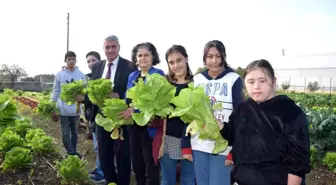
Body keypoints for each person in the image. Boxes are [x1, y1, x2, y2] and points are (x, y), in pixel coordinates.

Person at [218, 59, 311, 185]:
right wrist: (218, 125)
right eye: (251, 82)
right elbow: (231, 136)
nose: (256, 86)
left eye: (262, 81)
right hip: (241, 179)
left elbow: (298, 161)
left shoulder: (290, 111)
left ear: (273, 81)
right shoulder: (243, 108)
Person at [192, 40, 244, 185]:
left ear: (223, 57)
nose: (214, 61)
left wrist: (234, 149)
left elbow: (239, 116)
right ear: (204, 58)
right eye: (209, 56)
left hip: (223, 145)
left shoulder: (233, 79)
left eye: (218, 56)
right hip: (199, 143)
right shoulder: (197, 79)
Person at [90, 35, 137, 185]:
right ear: (103, 48)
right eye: (107, 47)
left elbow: (134, 92)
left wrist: (120, 96)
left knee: (123, 156)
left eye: (113, 46)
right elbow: (91, 91)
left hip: (121, 117)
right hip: (102, 118)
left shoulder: (130, 67)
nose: (110, 50)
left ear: (119, 47)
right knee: (104, 156)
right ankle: (111, 181)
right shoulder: (97, 67)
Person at [120, 42, 164, 185]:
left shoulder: (158, 74)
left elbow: (157, 102)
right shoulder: (132, 76)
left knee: (151, 165)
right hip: (133, 126)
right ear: (135, 58)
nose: (143, 58)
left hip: (150, 126)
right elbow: (128, 99)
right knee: (137, 164)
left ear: (153, 57)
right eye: (140, 55)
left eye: (146, 55)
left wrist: (135, 109)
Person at [159, 45, 195, 185]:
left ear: (186, 59)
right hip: (168, 139)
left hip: (192, 141)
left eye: (179, 60)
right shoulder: (165, 85)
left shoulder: (197, 84)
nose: (176, 65)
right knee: (167, 180)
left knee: (188, 179)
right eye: (171, 62)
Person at [51, 51, 86, 158]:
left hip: (76, 109)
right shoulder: (60, 74)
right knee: (65, 132)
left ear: (76, 60)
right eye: (69, 59)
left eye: (73, 59)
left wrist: (81, 96)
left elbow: (84, 89)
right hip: (63, 109)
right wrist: (53, 105)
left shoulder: (80, 74)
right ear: (65, 61)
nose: (71, 61)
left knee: (75, 132)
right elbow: (56, 90)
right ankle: (69, 152)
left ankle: (74, 150)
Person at [83, 51, 105, 183]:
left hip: (100, 117)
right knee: (97, 145)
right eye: (88, 61)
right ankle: (99, 168)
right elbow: (88, 99)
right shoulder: (90, 78)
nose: (91, 63)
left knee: (100, 146)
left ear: (100, 61)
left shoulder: (102, 78)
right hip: (92, 117)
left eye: (93, 60)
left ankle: (102, 171)